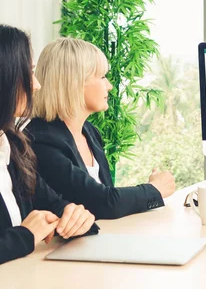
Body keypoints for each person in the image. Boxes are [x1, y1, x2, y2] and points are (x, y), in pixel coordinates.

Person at [25, 38, 176, 220]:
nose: (109, 86)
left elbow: (107, 195)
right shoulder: (41, 140)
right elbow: (102, 202)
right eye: (102, 77)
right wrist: (154, 190)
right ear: (74, 82)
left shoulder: (90, 132)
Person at [0, 25, 98, 264]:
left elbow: (53, 204)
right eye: (29, 73)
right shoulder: (40, 138)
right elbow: (25, 235)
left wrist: (75, 216)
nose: (36, 85)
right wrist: (26, 235)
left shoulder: (12, 145)